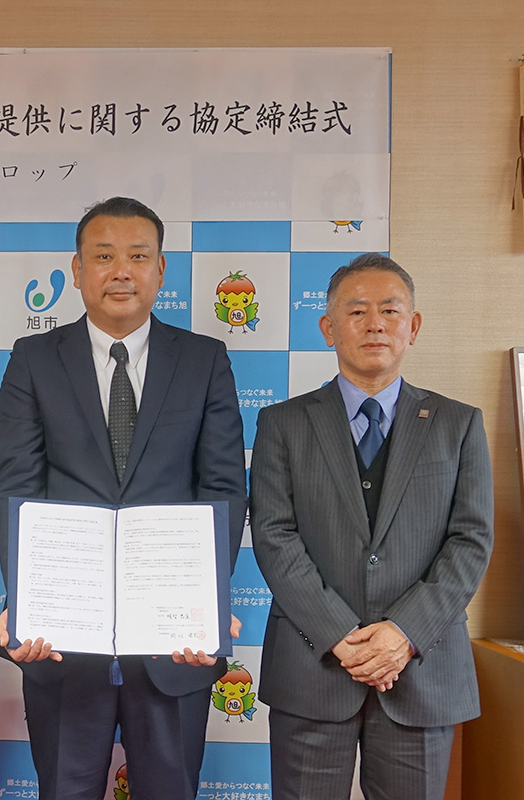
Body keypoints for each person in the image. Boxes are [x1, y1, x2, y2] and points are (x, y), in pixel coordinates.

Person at [0, 196, 247, 800]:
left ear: (161, 270)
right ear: (77, 270)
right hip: (63, 643)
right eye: (104, 257)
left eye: (138, 256)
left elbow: (222, 489)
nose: (121, 272)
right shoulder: (33, 359)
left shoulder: (204, 359)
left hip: (173, 646)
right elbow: (17, 488)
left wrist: (204, 602)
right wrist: (26, 602)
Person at [249, 253, 493, 799]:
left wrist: (403, 634)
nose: (375, 324)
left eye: (390, 310)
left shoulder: (457, 424)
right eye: (357, 311)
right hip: (312, 669)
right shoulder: (282, 423)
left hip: (420, 671)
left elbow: (471, 540)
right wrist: (343, 637)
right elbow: (273, 535)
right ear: (328, 328)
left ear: (414, 326)